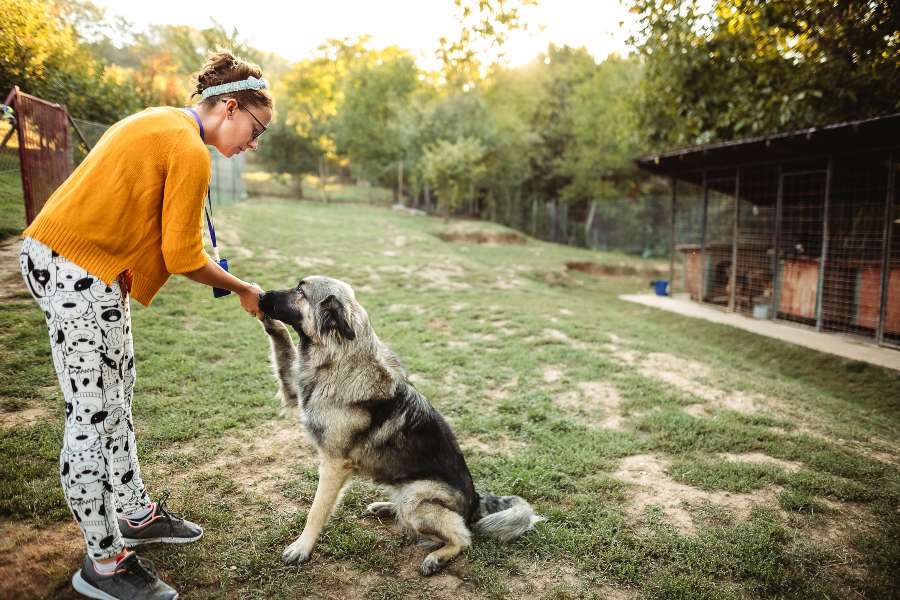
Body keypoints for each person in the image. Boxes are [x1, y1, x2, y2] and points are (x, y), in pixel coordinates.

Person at [18, 51, 273, 600]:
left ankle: (134, 512)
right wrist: (242, 289)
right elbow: (182, 254)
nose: (253, 144)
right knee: (91, 410)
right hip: (72, 267)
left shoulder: (166, 124)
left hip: (96, 270)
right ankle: (103, 563)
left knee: (119, 393)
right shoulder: (186, 145)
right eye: (256, 130)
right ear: (229, 107)